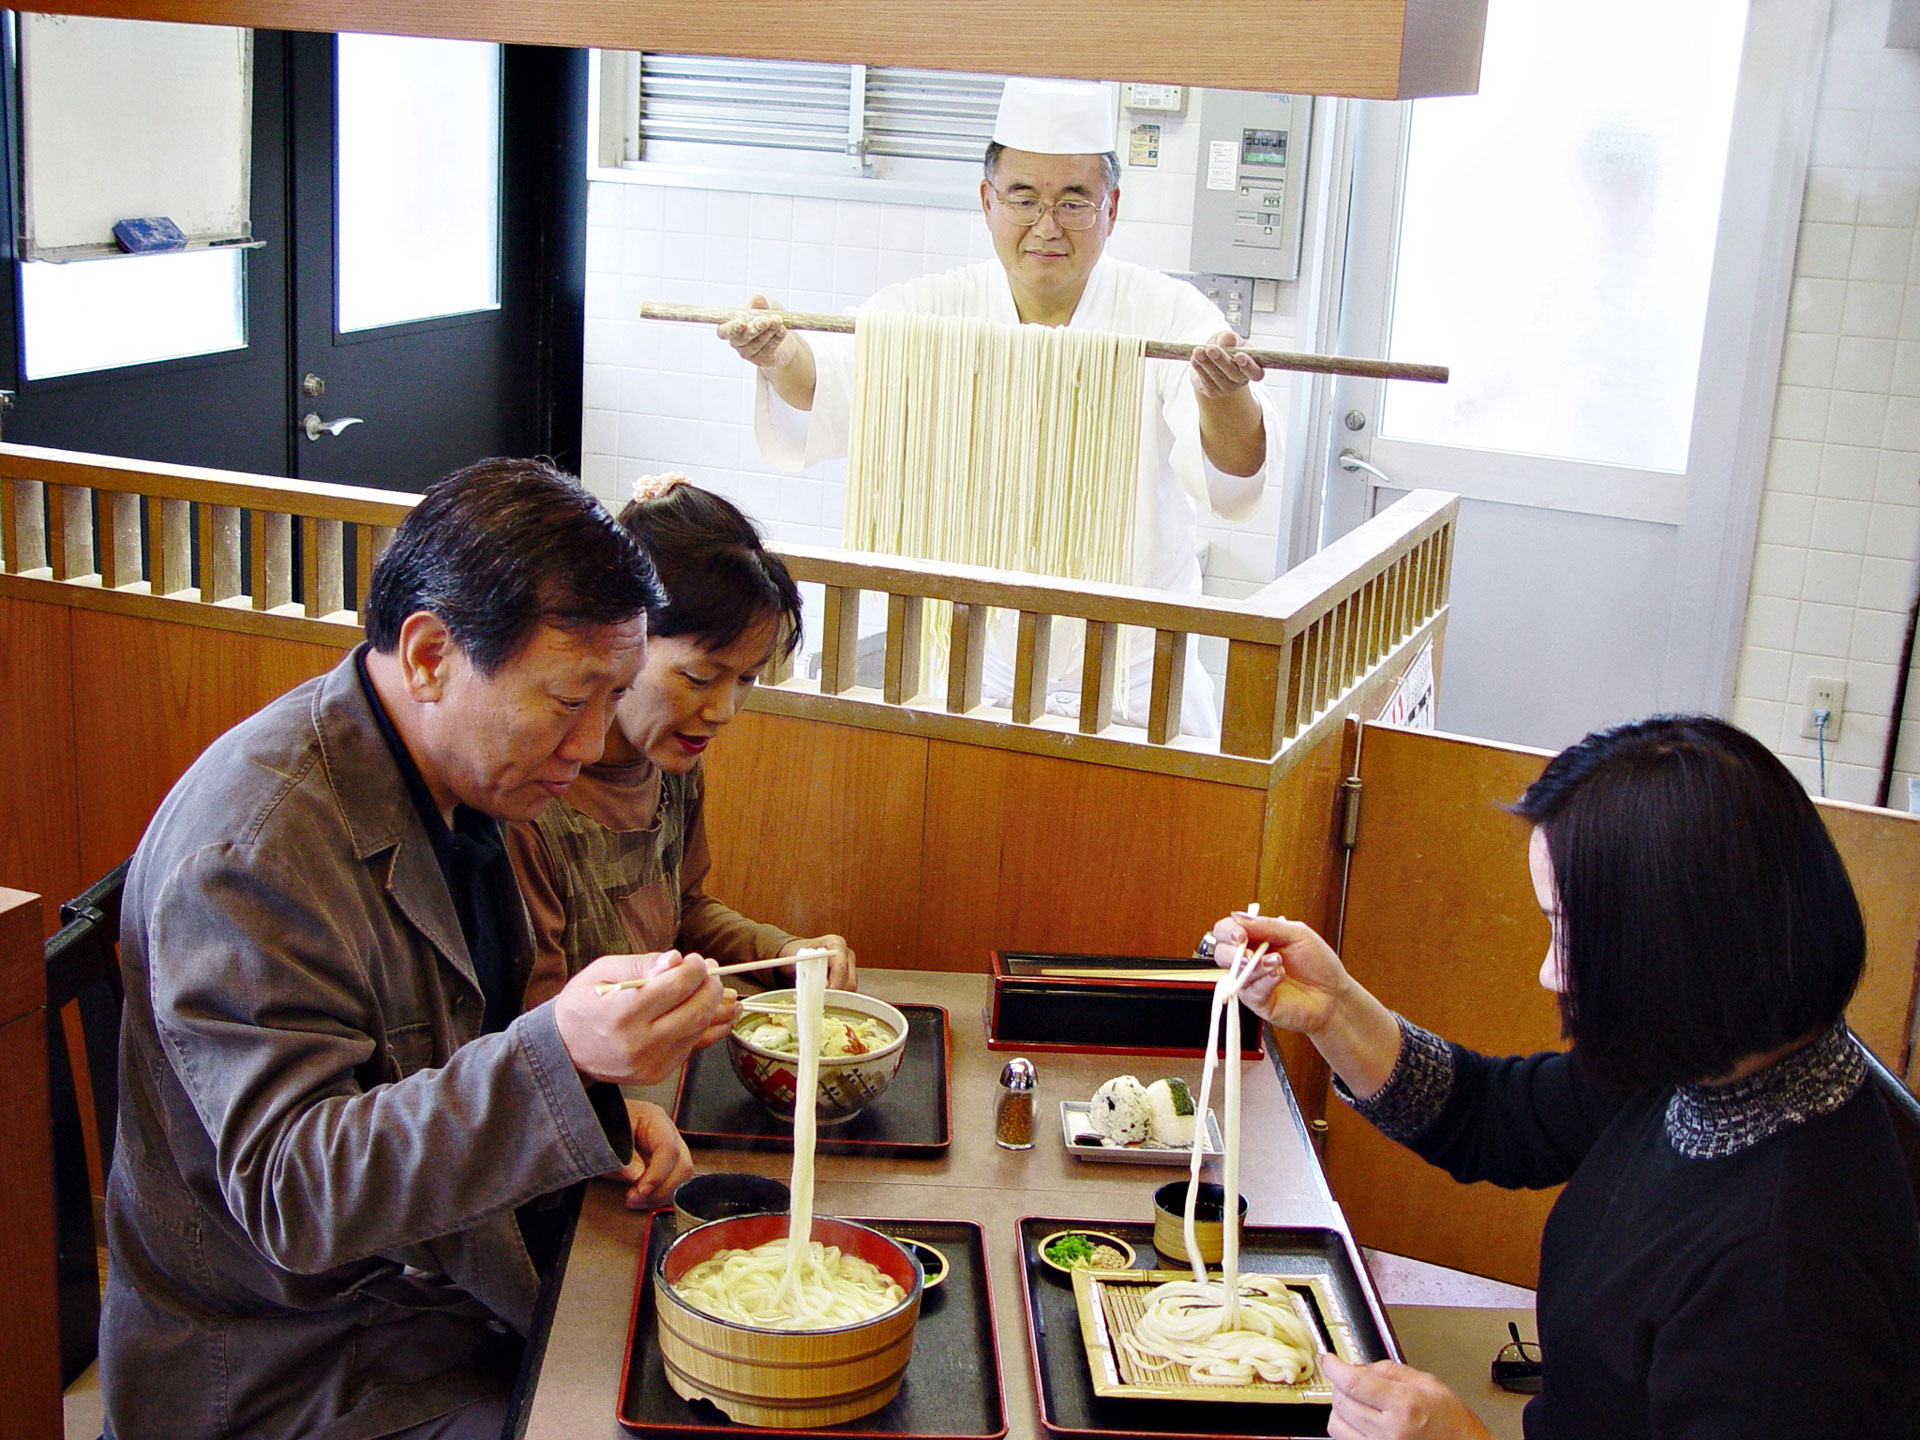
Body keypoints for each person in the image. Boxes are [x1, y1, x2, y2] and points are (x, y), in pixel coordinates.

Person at [102, 459, 740, 1440]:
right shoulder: (252, 852)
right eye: (570, 699)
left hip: (431, 1283)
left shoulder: (458, 783)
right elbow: (294, 1195)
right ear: (433, 653)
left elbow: (445, 1055)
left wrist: (587, 1111)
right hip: (293, 1354)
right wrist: (560, 1060)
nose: (590, 742)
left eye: (611, 699)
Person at [1211, 715, 1920, 1440]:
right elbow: (1494, 1117)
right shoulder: (1715, 1057)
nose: (1549, 969)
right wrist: (1333, 1011)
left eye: (1567, 930)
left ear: (1674, 946)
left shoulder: (1787, 1267)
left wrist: (1462, 1438)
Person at [719, 76, 1279, 737]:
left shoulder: (1166, 313)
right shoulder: (931, 309)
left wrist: (1225, 393)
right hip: (973, 652)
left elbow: (1235, 471)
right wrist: (780, 354)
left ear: (1112, 207)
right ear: (987, 201)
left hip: (1133, 659)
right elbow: (832, 379)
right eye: (1024, 199)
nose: (1047, 226)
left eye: (1075, 203)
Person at [508, 473, 856, 1006]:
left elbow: (684, 910)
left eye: (747, 679)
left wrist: (788, 952)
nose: (723, 711)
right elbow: (533, 1023)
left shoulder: (674, 765)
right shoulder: (531, 800)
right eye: (698, 678)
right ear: (621, 643)